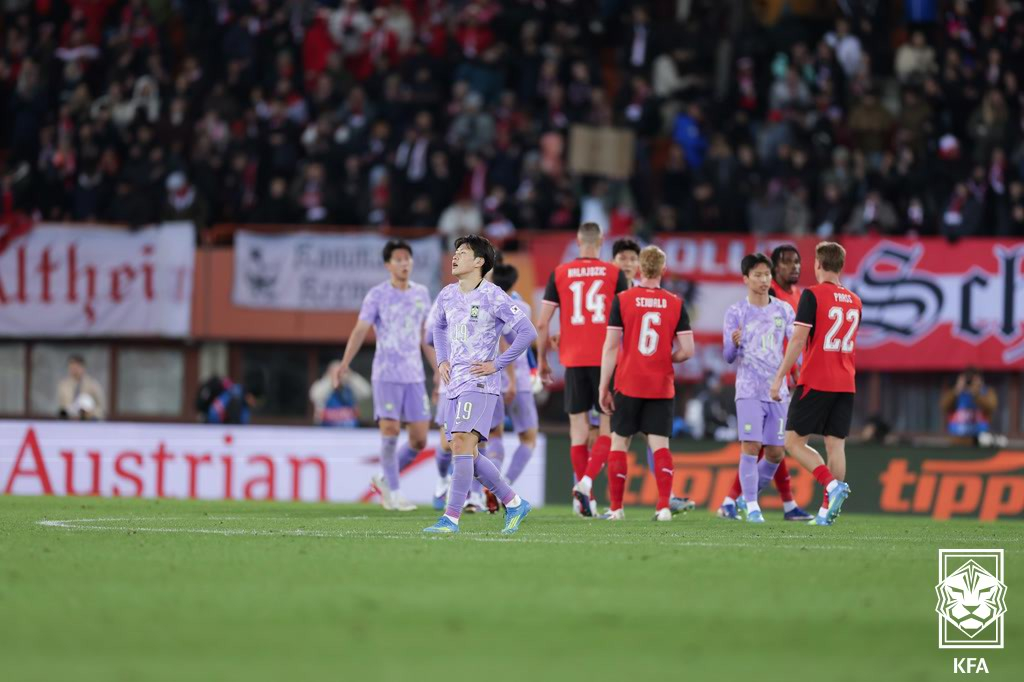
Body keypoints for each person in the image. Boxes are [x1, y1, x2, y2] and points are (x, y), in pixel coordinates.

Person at [424, 235, 536, 534]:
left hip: (481, 383)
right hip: (454, 383)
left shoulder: (494, 295)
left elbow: (527, 332)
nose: (455, 256)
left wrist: (497, 364)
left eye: (463, 252)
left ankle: (451, 517)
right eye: (455, 252)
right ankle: (514, 502)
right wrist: (442, 359)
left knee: (462, 442)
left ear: (479, 261)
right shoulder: (447, 294)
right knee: (465, 452)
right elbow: (438, 326)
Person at [576, 245, 694, 521]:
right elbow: (688, 350)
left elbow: (610, 347)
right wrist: (666, 357)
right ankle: (663, 507)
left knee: (619, 443)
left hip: (628, 382)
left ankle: (616, 508)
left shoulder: (623, 299)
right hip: (661, 385)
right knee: (660, 446)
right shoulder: (676, 302)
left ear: (640, 268)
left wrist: (603, 386)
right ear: (664, 269)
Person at [536, 222, 629, 517]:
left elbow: (542, 322)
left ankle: (583, 499)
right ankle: (586, 482)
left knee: (578, 429)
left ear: (578, 241)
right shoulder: (614, 273)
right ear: (601, 241)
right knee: (607, 427)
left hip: (573, 359)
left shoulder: (560, 273)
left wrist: (542, 360)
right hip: (606, 359)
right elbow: (627, 319)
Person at [335, 240, 434, 513]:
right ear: (388, 265)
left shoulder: (422, 294)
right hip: (386, 373)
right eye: (398, 259)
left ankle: (384, 478)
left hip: (414, 375)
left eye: (407, 259)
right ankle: (395, 492)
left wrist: (439, 369)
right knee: (390, 431)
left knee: (419, 440)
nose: (404, 264)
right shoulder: (377, 295)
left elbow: (426, 336)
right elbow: (360, 330)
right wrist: (345, 363)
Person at [716, 244, 814, 521]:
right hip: (748, 389)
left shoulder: (784, 310)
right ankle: (752, 507)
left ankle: (739, 499)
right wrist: (734, 345)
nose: (763, 280)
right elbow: (727, 356)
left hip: (777, 391)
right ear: (745, 279)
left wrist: (798, 370)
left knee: (775, 453)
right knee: (750, 446)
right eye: (757, 275)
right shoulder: (736, 312)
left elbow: (796, 345)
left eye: (766, 275)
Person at [770, 242, 859, 526]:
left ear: (817, 264)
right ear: (841, 266)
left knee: (793, 442)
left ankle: (831, 486)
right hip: (846, 382)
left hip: (817, 379)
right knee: (836, 445)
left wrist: (779, 377)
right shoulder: (855, 301)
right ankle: (825, 513)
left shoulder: (812, 295)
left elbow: (798, 340)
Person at [491, 263, 541, 486]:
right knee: (529, 438)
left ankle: (486, 489)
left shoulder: (485, 304)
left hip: (490, 379)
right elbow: (518, 343)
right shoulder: (522, 307)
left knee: (492, 436)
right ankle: (505, 484)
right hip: (518, 381)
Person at [941, 368, 998, 443]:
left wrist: (976, 393)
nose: (970, 382)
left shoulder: (986, 392)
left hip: (980, 439)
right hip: (957, 439)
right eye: (968, 380)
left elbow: (991, 407)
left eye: (973, 379)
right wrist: (956, 391)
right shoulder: (956, 392)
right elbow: (944, 406)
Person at [57, 355, 105, 420]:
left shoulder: (92, 384)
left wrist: (91, 413)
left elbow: (101, 407)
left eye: (76, 367)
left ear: (83, 367)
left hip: (88, 421)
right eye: (71, 367)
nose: (74, 370)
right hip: (69, 421)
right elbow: (61, 406)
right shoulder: (63, 385)